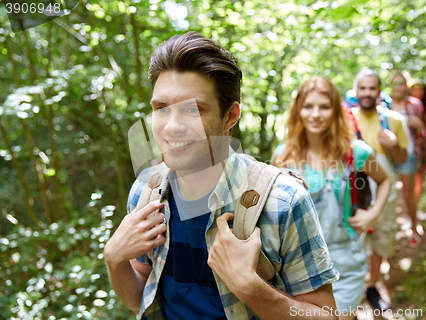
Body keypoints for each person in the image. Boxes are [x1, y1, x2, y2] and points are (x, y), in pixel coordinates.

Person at [104, 32, 339, 320]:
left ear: (230, 117)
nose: (171, 126)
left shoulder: (284, 203)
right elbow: (140, 299)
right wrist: (115, 260)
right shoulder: (145, 191)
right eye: (161, 108)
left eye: (193, 110)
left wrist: (251, 288)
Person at [273, 76, 391, 320]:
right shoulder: (282, 156)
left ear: (335, 111)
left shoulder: (355, 151)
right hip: (297, 266)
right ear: (298, 110)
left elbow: (385, 180)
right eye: (308, 106)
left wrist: (373, 213)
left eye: (324, 107)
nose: (315, 114)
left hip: (346, 263)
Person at [350, 68, 409, 311]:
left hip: (385, 189)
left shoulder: (394, 120)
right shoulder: (344, 119)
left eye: (372, 88)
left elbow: (403, 159)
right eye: (362, 88)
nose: (367, 93)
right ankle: (352, 290)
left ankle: (372, 285)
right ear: (356, 91)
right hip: (354, 190)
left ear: (379, 91)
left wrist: (394, 145)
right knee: (354, 237)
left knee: (381, 238)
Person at [389, 73, 426, 245]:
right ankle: (389, 231)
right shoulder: (383, 103)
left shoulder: (414, 104)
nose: (398, 87)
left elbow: (422, 133)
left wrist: (417, 126)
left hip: (408, 154)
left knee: (408, 194)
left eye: (401, 83)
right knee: (387, 193)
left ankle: (414, 226)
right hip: (387, 155)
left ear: (406, 86)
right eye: (395, 83)